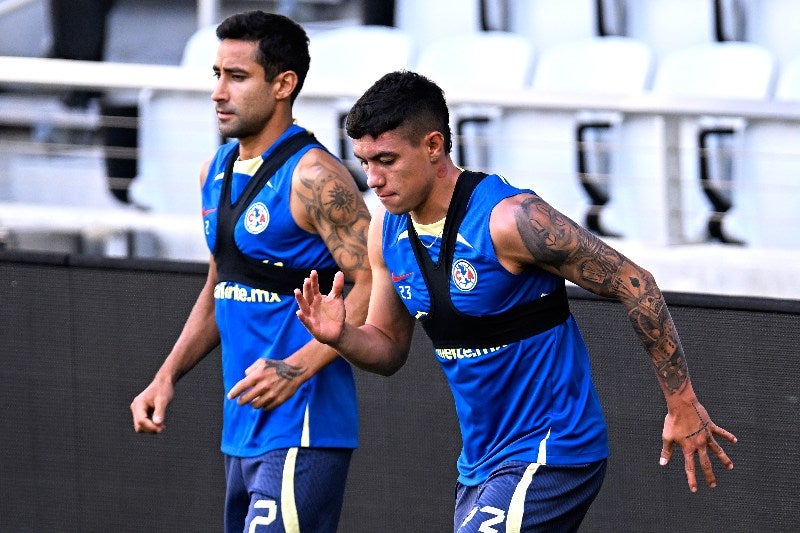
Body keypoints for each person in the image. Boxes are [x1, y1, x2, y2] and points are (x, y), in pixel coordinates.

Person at [294, 70, 737, 532]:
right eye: (364, 163)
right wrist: (342, 336)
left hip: (551, 448)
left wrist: (681, 402)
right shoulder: (385, 232)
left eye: (386, 160)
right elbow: (387, 350)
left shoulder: (510, 220)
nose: (374, 180)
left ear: (433, 146)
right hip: (481, 464)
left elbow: (635, 283)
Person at [130, 11, 371, 533]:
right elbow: (221, 285)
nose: (219, 92)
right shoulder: (213, 169)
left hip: (304, 427)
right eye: (216, 75)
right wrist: (166, 376)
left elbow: (378, 282)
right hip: (242, 429)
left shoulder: (314, 176)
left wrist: (297, 368)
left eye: (236, 78)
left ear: (284, 84)